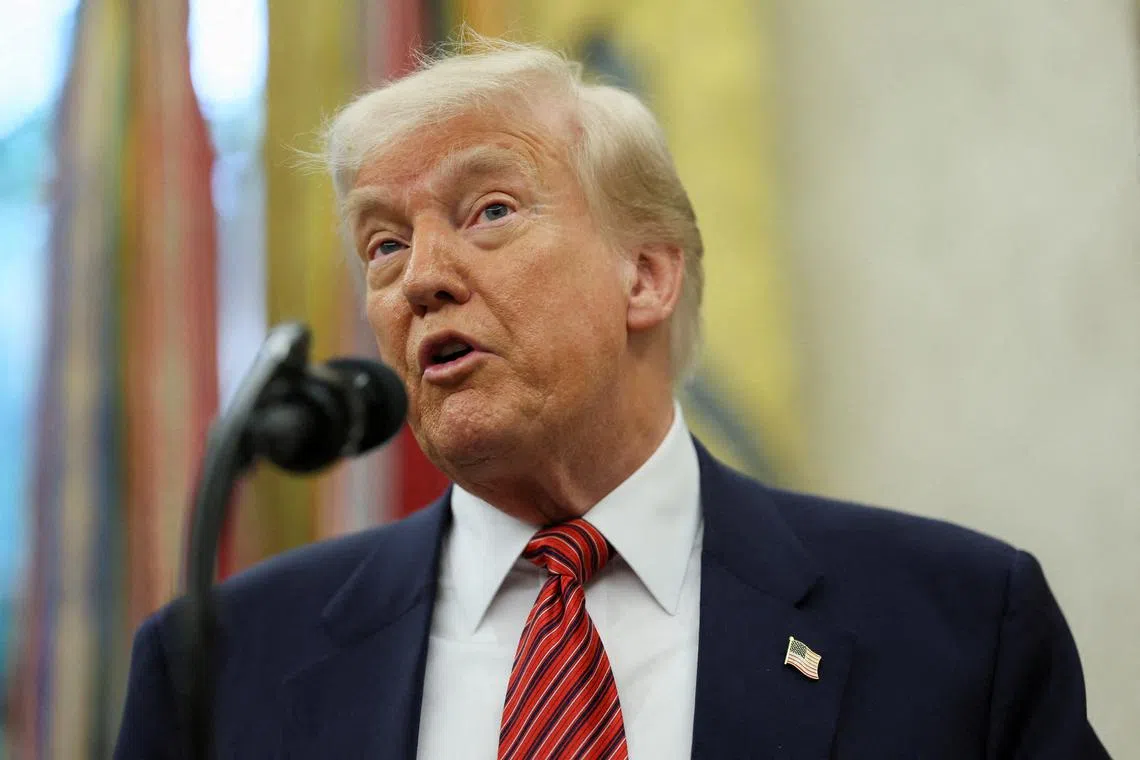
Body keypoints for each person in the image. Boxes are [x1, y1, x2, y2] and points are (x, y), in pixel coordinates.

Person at [114, 38, 1108, 759]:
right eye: (383, 242)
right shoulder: (219, 662)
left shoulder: (958, 627)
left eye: (489, 210)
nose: (421, 276)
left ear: (645, 276)